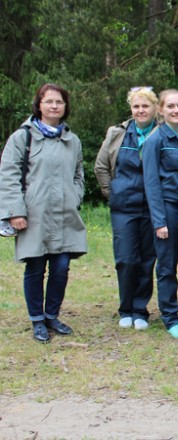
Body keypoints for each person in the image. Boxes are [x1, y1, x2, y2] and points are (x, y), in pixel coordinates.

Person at [0, 83, 87, 342]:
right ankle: (37, 320)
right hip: (33, 215)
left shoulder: (72, 140)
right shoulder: (22, 137)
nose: (54, 106)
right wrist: (15, 211)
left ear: (65, 107)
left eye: (59, 102)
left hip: (64, 216)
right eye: (48, 101)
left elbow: (78, 174)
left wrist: (75, 196)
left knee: (61, 267)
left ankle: (52, 315)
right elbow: (8, 176)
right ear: (39, 104)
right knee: (36, 267)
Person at [95, 86, 158, 331]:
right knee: (126, 259)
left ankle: (141, 310)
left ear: (155, 108)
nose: (141, 110)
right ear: (131, 109)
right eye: (136, 106)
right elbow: (101, 167)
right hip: (123, 208)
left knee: (146, 260)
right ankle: (126, 308)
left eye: (145, 106)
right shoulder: (117, 133)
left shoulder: (161, 133)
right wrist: (113, 193)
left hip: (152, 209)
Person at [142, 89, 178, 339]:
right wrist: (159, 221)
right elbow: (151, 183)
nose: (176, 110)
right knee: (167, 267)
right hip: (168, 211)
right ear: (160, 110)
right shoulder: (155, 140)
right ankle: (170, 317)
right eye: (170, 106)